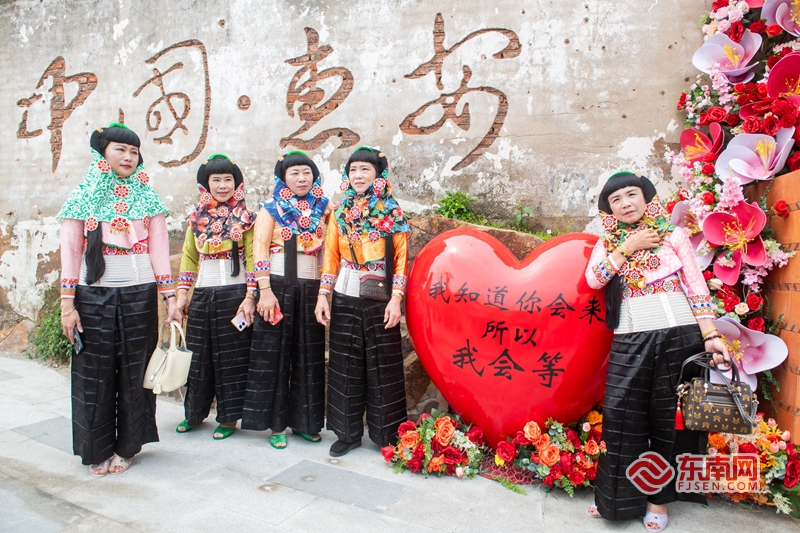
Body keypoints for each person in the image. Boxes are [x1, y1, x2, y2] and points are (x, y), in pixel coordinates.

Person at [583, 171, 729, 532]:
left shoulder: (673, 235)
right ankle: (615, 499)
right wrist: (628, 247)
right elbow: (594, 279)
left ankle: (658, 501)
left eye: (631, 194)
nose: (625, 203)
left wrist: (710, 334)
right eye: (616, 200)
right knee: (620, 417)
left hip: (679, 336)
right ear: (609, 209)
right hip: (630, 338)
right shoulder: (608, 243)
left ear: (646, 197)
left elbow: (695, 285)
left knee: (668, 421)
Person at [58, 123, 182, 477]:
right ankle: (95, 448)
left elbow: (159, 251)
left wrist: (170, 299)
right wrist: (68, 306)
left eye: (134, 151)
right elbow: (71, 253)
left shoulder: (148, 199)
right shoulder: (82, 197)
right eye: (120, 150)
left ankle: (127, 447)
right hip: (92, 296)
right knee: (92, 374)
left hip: (139, 295)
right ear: (102, 153)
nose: (128, 157)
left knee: (134, 372)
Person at [314, 146, 411, 457]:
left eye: (365, 169)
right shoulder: (339, 212)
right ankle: (347, 433)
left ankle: (387, 434)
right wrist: (323, 295)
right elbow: (331, 256)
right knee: (345, 363)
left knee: (384, 364)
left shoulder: (392, 211)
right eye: (353, 169)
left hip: (379, 295)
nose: (358, 175)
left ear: (378, 174)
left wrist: (396, 300)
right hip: (345, 293)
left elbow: (401, 260)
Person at [242, 151, 330, 449]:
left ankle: (305, 422)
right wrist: (264, 291)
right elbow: (259, 250)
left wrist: (325, 293)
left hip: (312, 287)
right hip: (277, 287)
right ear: (283, 177)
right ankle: (276, 424)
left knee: (309, 355)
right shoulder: (270, 208)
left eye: (306, 172)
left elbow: (331, 249)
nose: (301, 178)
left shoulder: (325, 207)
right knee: (274, 355)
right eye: (294, 173)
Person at [174, 154, 256, 440]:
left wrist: (250, 296)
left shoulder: (247, 218)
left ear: (237, 183)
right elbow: (188, 257)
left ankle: (228, 418)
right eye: (216, 180)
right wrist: (182, 295)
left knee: (232, 357)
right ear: (205, 184)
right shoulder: (196, 219)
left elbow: (253, 258)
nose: (223, 186)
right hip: (202, 295)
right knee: (198, 356)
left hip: (235, 294)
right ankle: (194, 413)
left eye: (228, 180)